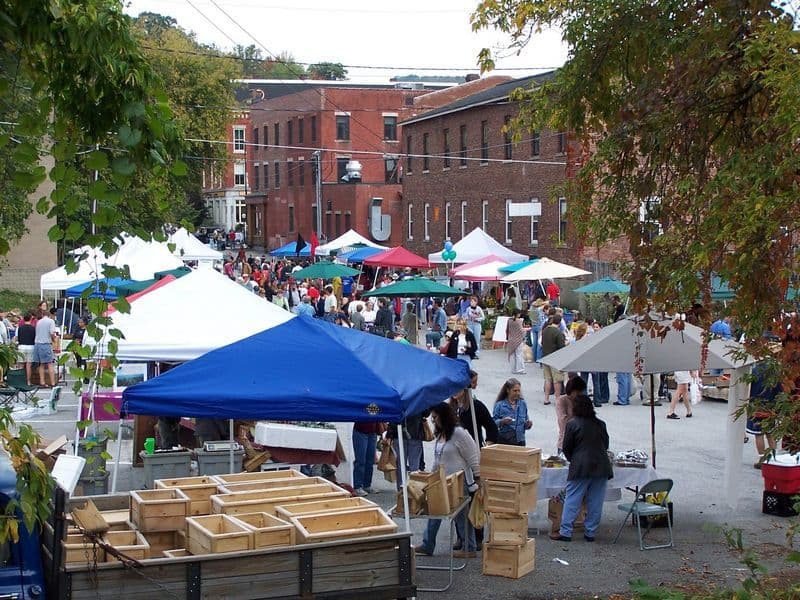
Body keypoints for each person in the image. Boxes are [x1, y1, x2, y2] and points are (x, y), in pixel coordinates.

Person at [414, 402, 480, 558]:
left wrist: (478, 477)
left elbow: (473, 456)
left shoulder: (459, 433)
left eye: (435, 418)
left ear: (444, 417)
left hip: (458, 481)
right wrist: (430, 476)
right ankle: (427, 544)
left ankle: (469, 547)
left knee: (461, 515)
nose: (433, 421)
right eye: (432, 418)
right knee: (434, 512)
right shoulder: (441, 434)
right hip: (441, 481)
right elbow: (438, 459)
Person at [550, 394, 613, 542]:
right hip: (601, 466)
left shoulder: (572, 424)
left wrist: (574, 459)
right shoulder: (600, 424)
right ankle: (590, 532)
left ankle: (566, 531)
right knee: (596, 501)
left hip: (580, 466)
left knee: (573, 498)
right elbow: (605, 444)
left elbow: (566, 447)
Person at [746, 360, 781, 468]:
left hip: (755, 406)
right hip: (770, 407)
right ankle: (774, 458)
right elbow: (778, 390)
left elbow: (748, 389)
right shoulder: (774, 371)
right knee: (770, 434)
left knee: (759, 434)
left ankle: (762, 459)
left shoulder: (753, 371)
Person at [385, 411, 426, 489]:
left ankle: (401, 490)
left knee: (400, 465)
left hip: (399, 432)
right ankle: (414, 490)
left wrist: (389, 434)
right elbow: (426, 412)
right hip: (415, 432)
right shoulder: (416, 402)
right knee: (414, 467)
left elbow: (393, 413)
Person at [492, 378, 532, 446]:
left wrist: (528, 424)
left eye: (519, 391)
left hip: (520, 441)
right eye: (515, 391)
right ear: (508, 390)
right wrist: (502, 421)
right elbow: (493, 423)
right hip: (504, 441)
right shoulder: (500, 405)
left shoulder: (523, 404)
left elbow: (525, 422)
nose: (517, 393)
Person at [556, 375, 587, 454]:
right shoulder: (562, 400)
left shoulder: (582, 400)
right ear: (573, 390)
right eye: (578, 392)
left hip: (581, 442)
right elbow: (563, 422)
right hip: (565, 442)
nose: (580, 394)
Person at [541, 313, 567, 405]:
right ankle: (557, 399)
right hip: (555, 358)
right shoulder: (558, 333)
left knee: (547, 379)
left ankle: (546, 399)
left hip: (545, 356)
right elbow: (562, 347)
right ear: (559, 322)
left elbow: (542, 343)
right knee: (557, 380)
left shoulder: (545, 330)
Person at [352, 422, 382, 496]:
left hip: (372, 432)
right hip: (361, 431)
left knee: (370, 461)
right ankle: (358, 486)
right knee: (360, 460)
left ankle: (367, 485)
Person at [33, 308, 58, 387]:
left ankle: (42, 382)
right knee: (50, 363)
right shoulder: (51, 321)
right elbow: (52, 333)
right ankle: (53, 383)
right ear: (49, 315)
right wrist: (54, 340)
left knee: (41, 364)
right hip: (45, 344)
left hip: (37, 344)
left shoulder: (38, 322)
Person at [12, 312, 36, 384]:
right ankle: (28, 381)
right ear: (31, 319)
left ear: (23, 319)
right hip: (31, 346)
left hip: (21, 346)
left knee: (21, 365)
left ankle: (21, 381)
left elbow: (16, 338)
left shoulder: (19, 328)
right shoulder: (33, 328)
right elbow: (35, 338)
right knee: (29, 365)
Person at [506, 309, 526, 375]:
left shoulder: (509, 320)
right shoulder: (519, 321)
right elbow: (521, 330)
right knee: (519, 355)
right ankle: (520, 370)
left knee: (512, 355)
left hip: (511, 340)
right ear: (517, 314)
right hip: (518, 340)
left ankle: (513, 370)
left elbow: (507, 330)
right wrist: (525, 332)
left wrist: (507, 338)